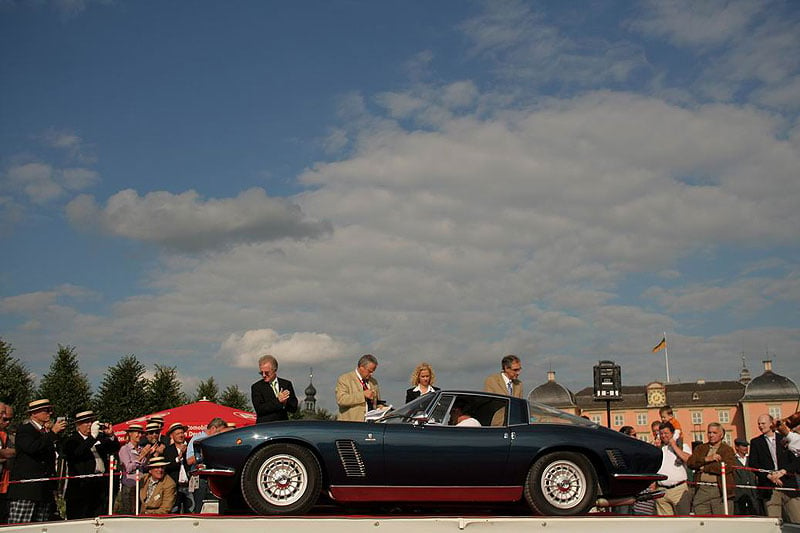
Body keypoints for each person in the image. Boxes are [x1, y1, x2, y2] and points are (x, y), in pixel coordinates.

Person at [6, 399, 66, 523]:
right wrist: (52, 433)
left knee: (40, 525)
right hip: (26, 490)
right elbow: (32, 448)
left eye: (50, 410)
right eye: (46, 411)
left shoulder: (45, 432)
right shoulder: (25, 429)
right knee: (21, 525)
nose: (50, 413)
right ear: (34, 413)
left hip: (43, 490)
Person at [62, 410, 120, 519]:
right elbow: (76, 453)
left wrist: (110, 435)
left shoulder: (100, 437)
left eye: (91, 422)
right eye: (86, 422)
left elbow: (114, 448)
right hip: (82, 488)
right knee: (81, 519)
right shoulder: (71, 440)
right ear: (78, 425)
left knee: (99, 518)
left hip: (100, 486)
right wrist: (91, 438)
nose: (90, 425)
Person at [749, 414, 800, 522]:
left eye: (763, 423)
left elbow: (796, 461)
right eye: (758, 424)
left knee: (796, 519)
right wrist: (769, 476)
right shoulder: (756, 442)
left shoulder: (786, 438)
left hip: (788, 485)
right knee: (773, 522)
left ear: (771, 423)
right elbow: (753, 464)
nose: (760, 426)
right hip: (769, 488)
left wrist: (783, 472)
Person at [687, 422, 736, 515]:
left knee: (721, 522)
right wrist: (706, 459)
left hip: (719, 490)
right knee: (701, 520)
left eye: (714, 433)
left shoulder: (727, 450)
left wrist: (705, 467)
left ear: (721, 435)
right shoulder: (700, 448)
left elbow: (727, 467)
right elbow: (691, 462)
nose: (711, 435)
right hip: (701, 489)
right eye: (709, 433)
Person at [186, 417, 227, 513]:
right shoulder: (197, 439)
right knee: (199, 508)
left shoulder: (216, 441)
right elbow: (189, 460)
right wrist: (207, 452)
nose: (221, 435)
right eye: (220, 432)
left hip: (215, 477)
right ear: (213, 428)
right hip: (201, 479)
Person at [655, 422, 691, 515]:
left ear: (672, 433)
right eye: (661, 433)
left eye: (666, 433)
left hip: (678, 490)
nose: (663, 436)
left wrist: (674, 445)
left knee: (683, 519)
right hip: (661, 490)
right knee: (665, 524)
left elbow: (688, 459)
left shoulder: (683, 446)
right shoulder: (659, 449)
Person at [336, 354, 381, 422]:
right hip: (351, 426)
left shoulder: (373, 382)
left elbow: (377, 403)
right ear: (361, 367)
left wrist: (381, 407)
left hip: (371, 425)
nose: (371, 374)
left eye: (373, 371)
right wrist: (363, 395)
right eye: (369, 371)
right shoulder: (345, 379)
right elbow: (341, 400)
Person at [114, 424, 144, 514]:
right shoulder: (124, 449)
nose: (139, 435)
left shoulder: (141, 449)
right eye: (137, 433)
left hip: (141, 485)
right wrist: (140, 457)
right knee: (128, 512)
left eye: (140, 433)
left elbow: (145, 466)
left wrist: (148, 454)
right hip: (129, 486)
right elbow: (128, 468)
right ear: (130, 434)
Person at [163, 422, 192, 513]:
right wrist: (178, 458)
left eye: (182, 433)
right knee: (174, 510)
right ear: (172, 436)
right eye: (178, 434)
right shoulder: (168, 450)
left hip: (189, 485)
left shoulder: (190, 448)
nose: (181, 435)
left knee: (191, 509)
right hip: (174, 485)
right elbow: (166, 467)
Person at [732, 438, 761, 515]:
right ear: (737, 447)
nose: (746, 448)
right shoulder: (732, 460)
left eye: (746, 446)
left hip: (753, 493)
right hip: (739, 494)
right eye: (743, 446)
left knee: (755, 514)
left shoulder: (751, 459)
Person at [0, 403, 15, 524]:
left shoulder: (11, 435)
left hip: (6, 484)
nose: (7, 422)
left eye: (10, 419)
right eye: (4, 418)